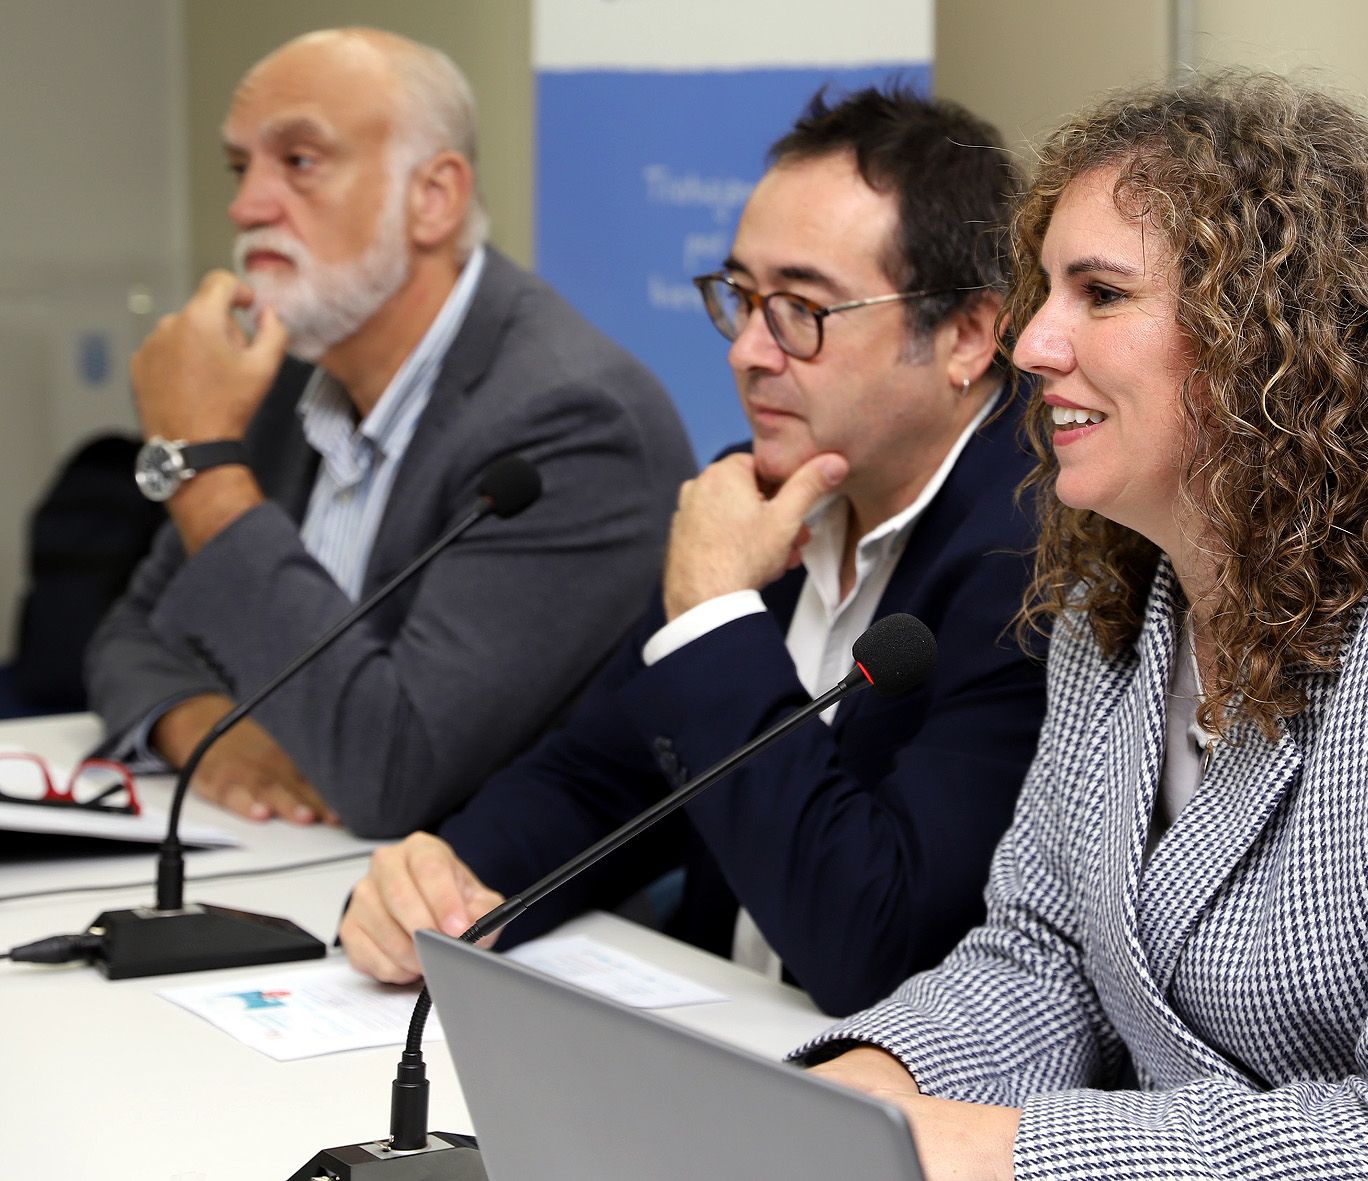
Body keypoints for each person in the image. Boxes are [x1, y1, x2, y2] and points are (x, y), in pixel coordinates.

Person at [802, 75, 1368, 1177]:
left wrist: (1008, 1148)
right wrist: (875, 1083)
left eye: (1099, 293)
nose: (1031, 344)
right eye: (1041, 290)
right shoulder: (1126, 608)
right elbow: (1045, 954)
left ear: (1265, 343)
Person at [338, 88, 1047, 1017]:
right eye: (743, 299)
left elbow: (876, 942)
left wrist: (714, 612)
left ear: (966, 336)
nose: (748, 351)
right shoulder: (753, 495)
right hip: (720, 1040)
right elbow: (602, 774)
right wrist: (445, 883)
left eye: (801, 308)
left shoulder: (1036, 557)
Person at [84, 29, 694, 837]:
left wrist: (201, 466)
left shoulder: (572, 421)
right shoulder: (290, 374)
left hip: (503, 929)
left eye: (298, 161)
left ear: (433, 197)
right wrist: (205, 729)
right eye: (241, 167)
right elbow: (129, 636)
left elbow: (391, 771)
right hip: (292, 868)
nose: (245, 206)